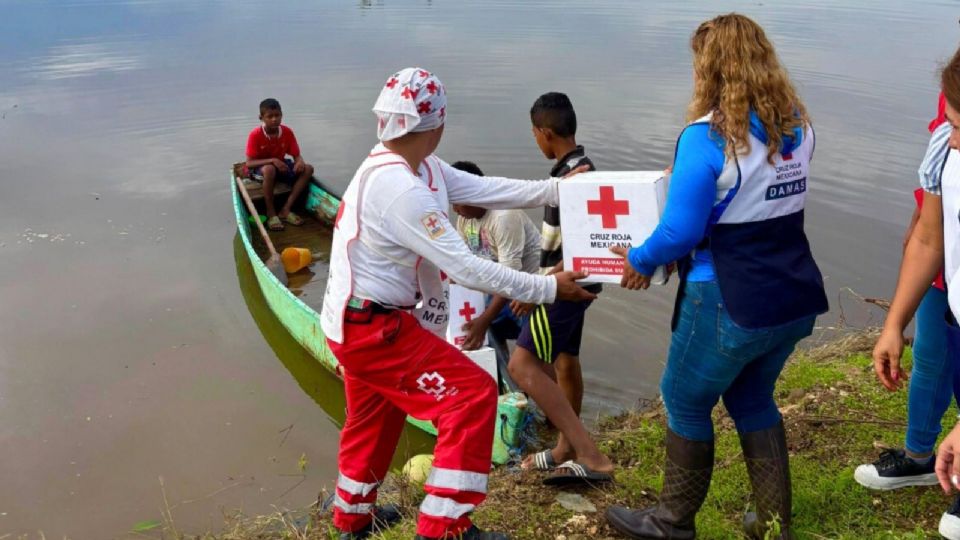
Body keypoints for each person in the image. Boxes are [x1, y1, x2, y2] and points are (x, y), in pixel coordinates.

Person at [319, 67, 596, 540]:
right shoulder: (401, 189)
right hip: (373, 328)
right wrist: (549, 288)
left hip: (352, 321)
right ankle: (444, 526)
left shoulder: (414, 165)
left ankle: (352, 519)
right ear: (439, 122)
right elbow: (468, 269)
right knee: (471, 395)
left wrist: (556, 188)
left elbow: (488, 190)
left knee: (374, 418)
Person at [605, 14, 828, 540]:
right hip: (792, 293)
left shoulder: (705, 137)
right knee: (752, 399)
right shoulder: (799, 126)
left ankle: (671, 522)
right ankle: (772, 524)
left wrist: (639, 259)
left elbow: (679, 232)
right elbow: (756, 197)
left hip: (728, 298)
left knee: (684, 399)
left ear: (708, 70)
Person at [506, 92, 614, 484]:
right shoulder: (575, 170)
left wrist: (539, 286)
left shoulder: (574, 179)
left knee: (522, 365)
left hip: (565, 285)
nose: (535, 140)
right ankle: (565, 447)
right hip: (577, 281)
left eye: (534, 133)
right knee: (566, 360)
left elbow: (585, 246)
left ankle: (590, 454)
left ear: (546, 133)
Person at [879, 48, 960, 540]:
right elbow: (930, 238)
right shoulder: (948, 148)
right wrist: (894, 324)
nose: (952, 138)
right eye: (950, 122)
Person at [854, 94, 950, 492]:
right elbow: (934, 188)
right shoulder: (952, 92)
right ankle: (919, 458)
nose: (951, 138)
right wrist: (894, 325)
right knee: (930, 355)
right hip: (945, 267)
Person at [450, 160, 541, 390]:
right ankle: (509, 388)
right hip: (499, 290)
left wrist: (484, 320)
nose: (454, 209)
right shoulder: (465, 218)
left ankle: (545, 398)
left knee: (535, 354)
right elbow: (464, 264)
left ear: (473, 193)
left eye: (456, 201)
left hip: (528, 293)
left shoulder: (503, 216)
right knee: (478, 329)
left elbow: (510, 278)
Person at [244, 98, 315, 231]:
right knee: (269, 169)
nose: (274, 119)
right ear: (261, 118)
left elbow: (296, 155)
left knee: (308, 169)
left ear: (282, 115)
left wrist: (299, 161)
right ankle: (271, 213)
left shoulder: (287, 132)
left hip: (279, 166)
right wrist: (273, 160)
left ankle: (285, 209)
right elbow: (249, 163)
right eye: (269, 116)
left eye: (277, 115)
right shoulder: (255, 135)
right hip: (259, 170)